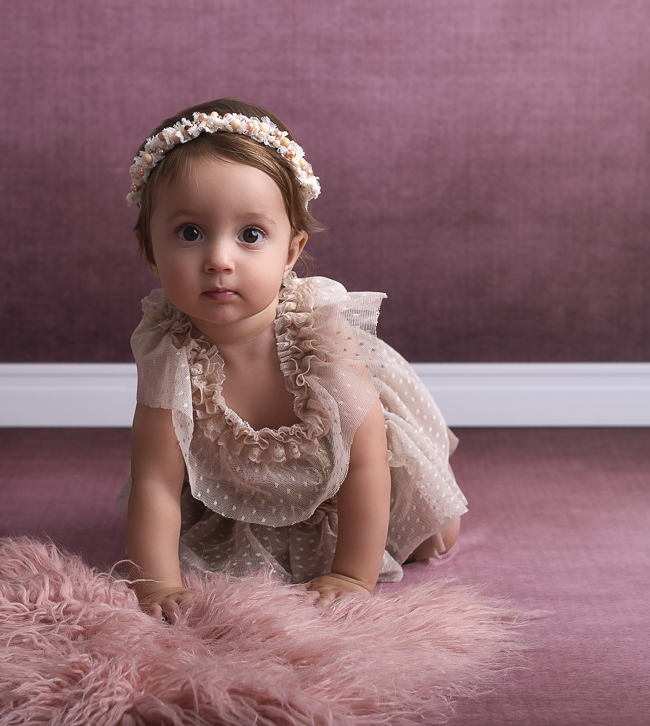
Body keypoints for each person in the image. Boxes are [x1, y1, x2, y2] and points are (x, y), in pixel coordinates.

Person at [125, 98, 467, 622]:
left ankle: (365, 531)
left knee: (430, 536)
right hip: (245, 486)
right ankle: (268, 523)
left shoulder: (319, 334)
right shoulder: (168, 348)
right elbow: (155, 478)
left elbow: (366, 461)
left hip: (350, 477)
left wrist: (353, 574)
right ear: (150, 250)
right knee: (217, 557)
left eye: (251, 235)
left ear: (290, 251)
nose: (219, 259)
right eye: (190, 233)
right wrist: (158, 586)